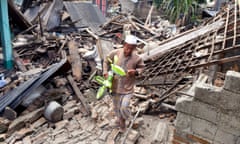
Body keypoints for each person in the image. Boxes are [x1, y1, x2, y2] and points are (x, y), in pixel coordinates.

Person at [103, 35, 145, 132]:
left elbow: (142, 68)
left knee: (124, 107)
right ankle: (121, 123)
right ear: (124, 44)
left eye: (132, 48)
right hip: (115, 86)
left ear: (134, 48)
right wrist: (105, 72)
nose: (129, 51)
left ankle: (128, 119)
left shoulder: (137, 58)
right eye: (127, 47)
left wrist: (136, 72)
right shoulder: (116, 53)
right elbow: (106, 61)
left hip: (127, 88)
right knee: (116, 107)